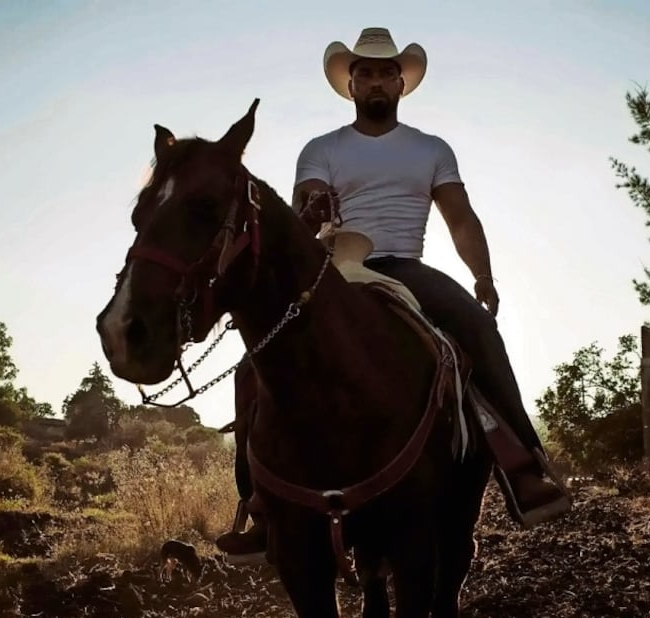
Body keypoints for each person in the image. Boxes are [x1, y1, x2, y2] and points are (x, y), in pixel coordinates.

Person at [216, 27, 571, 562]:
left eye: (386, 72)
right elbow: (303, 220)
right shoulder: (322, 149)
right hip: (334, 268)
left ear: (401, 83)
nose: (376, 80)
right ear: (351, 84)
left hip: (407, 266)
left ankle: (523, 466)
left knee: (478, 329)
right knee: (253, 365)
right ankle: (259, 504)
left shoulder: (430, 150)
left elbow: (459, 216)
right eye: (365, 72)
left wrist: (483, 276)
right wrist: (312, 214)